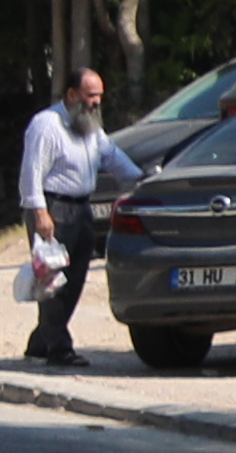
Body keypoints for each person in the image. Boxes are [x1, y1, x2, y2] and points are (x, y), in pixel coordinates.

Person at [18, 64, 143, 365]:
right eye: (90, 96)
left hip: (82, 209)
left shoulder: (90, 127)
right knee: (51, 280)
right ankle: (59, 348)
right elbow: (31, 173)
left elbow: (112, 156)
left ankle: (41, 342)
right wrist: (40, 214)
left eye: (100, 96)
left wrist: (141, 180)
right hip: (52, 209)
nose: (97, 102)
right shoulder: (46, 125)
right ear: (72, 94)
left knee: (74, 280)